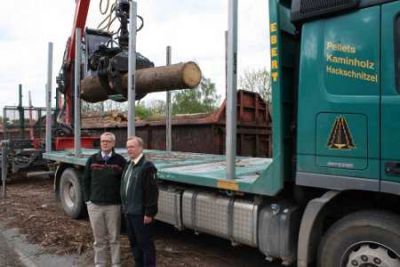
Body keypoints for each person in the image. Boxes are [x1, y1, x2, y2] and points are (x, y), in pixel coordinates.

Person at [82, 132, 127, 267]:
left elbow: (124, 182)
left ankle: (116, 263)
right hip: (95, 206)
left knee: (114, 238)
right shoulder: (92, 159)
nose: (105, 143)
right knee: (99, 239)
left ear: (113, 143)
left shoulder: (120, 161)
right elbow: (85, 181)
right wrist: (87, 200)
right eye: (102, 141)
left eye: (108, 141)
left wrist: (121, 202)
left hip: (113, 206)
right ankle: (100, 264)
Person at [121, 136, 159, 267]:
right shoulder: (129, 165)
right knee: (134, 243)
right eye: (127, 147)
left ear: (140, 148)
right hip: (129, 212)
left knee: (145, 244)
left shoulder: (147, 167)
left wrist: (149, 213)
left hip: (141, 214)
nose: (129, 149)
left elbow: (152, 193)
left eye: (132, 146)